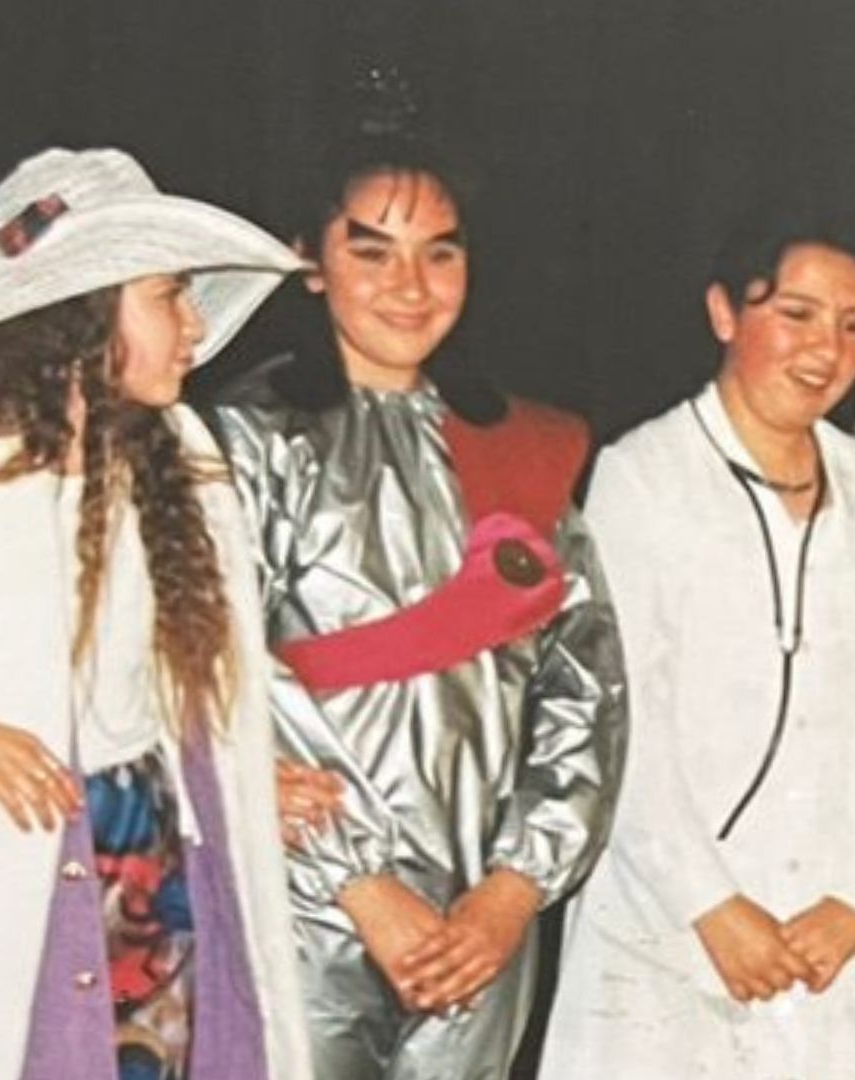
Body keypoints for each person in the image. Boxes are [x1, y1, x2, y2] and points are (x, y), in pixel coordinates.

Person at [0, 147, 310, 1079]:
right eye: (169, 296)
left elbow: (199, 674)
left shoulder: (177, 458)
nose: (194, 327)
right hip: (1, 881)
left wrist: (249, 767)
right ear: (80, 314)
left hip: (155, 865)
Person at [204, 127, 627, 1079]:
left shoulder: (524, 449)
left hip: (482, 927)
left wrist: (515, 890)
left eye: (440, 252)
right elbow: (220, 658)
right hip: (303, 911)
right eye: (373, 251)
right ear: (310, 262)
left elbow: (584, 683)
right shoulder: (248, 441)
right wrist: (358, 883)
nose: (411, 285)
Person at [538, 211, 855, 1078]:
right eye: (796, 314)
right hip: (672, 931)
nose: (827, 350)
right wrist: (712, 906)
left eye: (853, 326)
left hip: (846, 941)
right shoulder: (642, 479)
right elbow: (622, 718)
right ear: (724, 312)